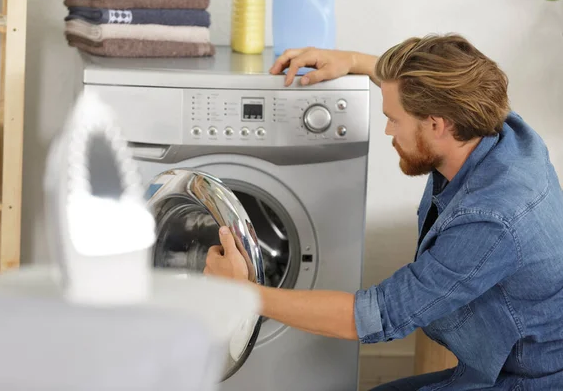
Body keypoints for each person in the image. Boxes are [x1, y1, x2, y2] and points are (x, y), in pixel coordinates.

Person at [204, 34, 563, 390]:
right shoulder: (491, 123)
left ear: (437, 125)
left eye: (394, 119)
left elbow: (378, 314)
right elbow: (427, 90)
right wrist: (355, 61)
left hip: (529, 382)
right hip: (496, 360)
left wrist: (244, 293)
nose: (389, 130)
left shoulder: (491, 219)